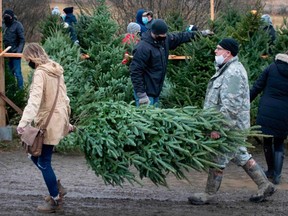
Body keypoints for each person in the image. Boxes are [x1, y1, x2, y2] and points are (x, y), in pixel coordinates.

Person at [188, 38, 276, 205]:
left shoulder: (233, 72)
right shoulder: (226, 69)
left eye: (218, 49)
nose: (215, 51)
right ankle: (264, 185)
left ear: (227, 53)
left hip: (230, 127)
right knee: (240, 155)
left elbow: (231, 106)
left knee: (217, 157)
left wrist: (218, 128)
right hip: (231, 126)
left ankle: (209, 193)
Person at [16, 43, 74, 213]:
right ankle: (56, 188)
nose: (28, 63)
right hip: (57, 119)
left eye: (27, 60)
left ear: (32, 58)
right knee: (34, 155)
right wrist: (66, 121)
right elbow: (65, 98)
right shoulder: (55, 69)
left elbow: (34, 101)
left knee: (43, 161)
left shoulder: (41, 73)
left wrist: (23, 122)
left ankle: (55, 200)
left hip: (48, 123)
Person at [130, 19, 212, 107]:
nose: (165, 36)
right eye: (162, 34)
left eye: (165, 34)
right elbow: (135, 71)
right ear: (155, 33)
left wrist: (200, 34)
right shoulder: (143, 48)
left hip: (156, 90)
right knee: (146, 119)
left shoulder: (163, 40)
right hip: (145, 93)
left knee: (155, 119)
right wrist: (141, 95)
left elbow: (181, 37)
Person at [250, 51, 288, 185]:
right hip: (284, 111)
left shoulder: (271, 67)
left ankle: (270, 170)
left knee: (267, 140)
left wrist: (246, 101)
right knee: (279, 143)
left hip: (267, 108)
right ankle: (277, 175)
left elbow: (258, 86)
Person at [3, 9, 25, 89]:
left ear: (11, 17)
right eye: (5, 16)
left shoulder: (18, 25)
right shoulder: (4, 26)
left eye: (8, 16)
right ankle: (12, 91)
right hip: (5, 55)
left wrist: (18, 53)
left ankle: (20, 91)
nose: (6, 18)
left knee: (18, 73)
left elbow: (22, 40)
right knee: (9, 73)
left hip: (15, 54)